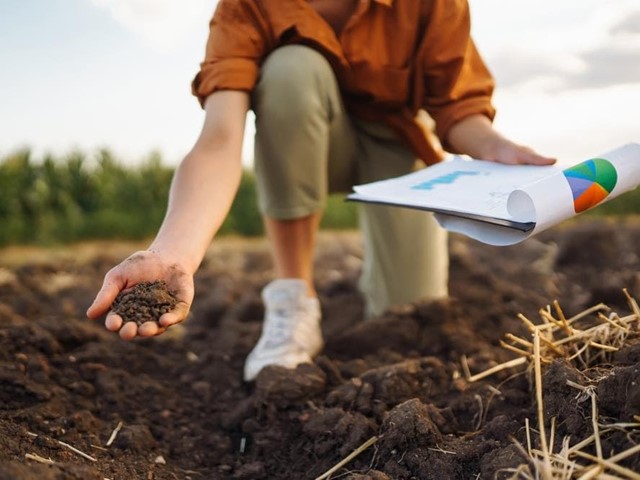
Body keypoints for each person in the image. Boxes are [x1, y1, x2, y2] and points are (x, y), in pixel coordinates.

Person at [87, 0, 555, 381]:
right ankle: (294, 296)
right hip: (300, 139)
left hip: (396, 150)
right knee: (293, 67)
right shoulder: (246, 7)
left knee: (410, 315)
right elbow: (219, 140)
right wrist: (173, 253)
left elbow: (458, 107)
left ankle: (373, 287)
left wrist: (497, 148)